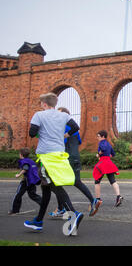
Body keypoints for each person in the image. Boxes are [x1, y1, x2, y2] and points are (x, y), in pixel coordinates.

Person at [24, 92, 84, 235]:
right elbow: (75, 127)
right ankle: (38, 221)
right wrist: (65, 135)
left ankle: (73, 213)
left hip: (46, 156)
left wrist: (40, 132)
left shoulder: (39, 115)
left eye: (41, 103)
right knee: (46, 189)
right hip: (60, 154)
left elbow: (32, 133)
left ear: (44, 104)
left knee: (54, 185)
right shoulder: (63, 115)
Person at [49, 107, 101, 218]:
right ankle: (92, 201)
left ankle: (62, 208)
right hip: (76, 157)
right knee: (77, 181)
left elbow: (61, 143)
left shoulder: (63, 127)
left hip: (67, 158)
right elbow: (79, 141)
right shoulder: (75, 131)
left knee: (56, 183)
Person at [93, 130, 123, 207]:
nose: (97, 138)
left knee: (97, 180)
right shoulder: (109, 144)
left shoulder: (101, 143)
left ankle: (98, 199)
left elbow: (102, 149)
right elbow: (113, 154)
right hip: (109, 163)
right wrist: (106, 155)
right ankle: (118, 196)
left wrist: (99, 155)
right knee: (112, 180)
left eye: (98, 136)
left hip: (102, 163)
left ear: (103, 137)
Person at [9, 148, 42, 215]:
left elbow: (25, 168)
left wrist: (18, 175)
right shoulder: (31, 161)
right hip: (32, 181)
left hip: (26, 181)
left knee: (18, 194)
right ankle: (43, 204)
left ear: (21, 155)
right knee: (32, 195)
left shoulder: (24, 161)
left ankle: (15, 210)